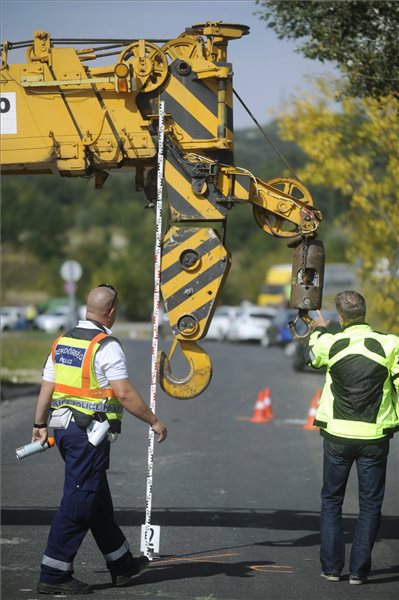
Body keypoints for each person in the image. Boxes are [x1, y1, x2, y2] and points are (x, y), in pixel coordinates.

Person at [32, 284, 167, 595]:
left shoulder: (62, 342)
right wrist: (154, 421)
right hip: (88, 436)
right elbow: (124, 393)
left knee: (96, 499)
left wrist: (39, 423)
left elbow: (47, 386)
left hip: (64, 431)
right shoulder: (105, 345)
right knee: (79, 501)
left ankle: (122, 565)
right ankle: (53, 574)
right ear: (111, 312)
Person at [306, 290, 399, 585]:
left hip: (337, 437)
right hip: (375, 438)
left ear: (341, 317)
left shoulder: (331, 343)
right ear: (365, 312)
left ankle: (331, 569)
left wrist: (318, 328)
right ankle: (359, 571)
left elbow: (312, 355)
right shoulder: (391, 344)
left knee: (332, 500)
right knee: (370, 504)